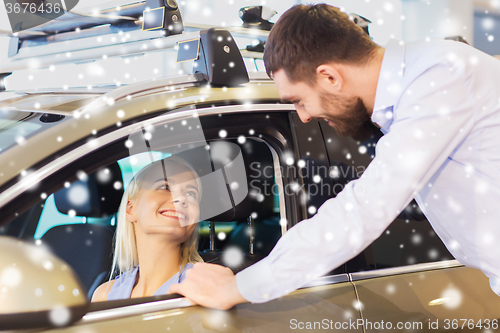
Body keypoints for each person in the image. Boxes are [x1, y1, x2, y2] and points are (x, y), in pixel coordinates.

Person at [169, 4, 500, 309]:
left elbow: (364, 209)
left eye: (299, 100)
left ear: (329, 76)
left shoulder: (439, 77)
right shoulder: (419, 89)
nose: (302, 116)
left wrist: (236, 289)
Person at [92, 156, 203, 301]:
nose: (182, 198)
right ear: (131, 209)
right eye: (165, 187)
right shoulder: (104, 296)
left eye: (191, 194)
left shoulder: (203, 290)